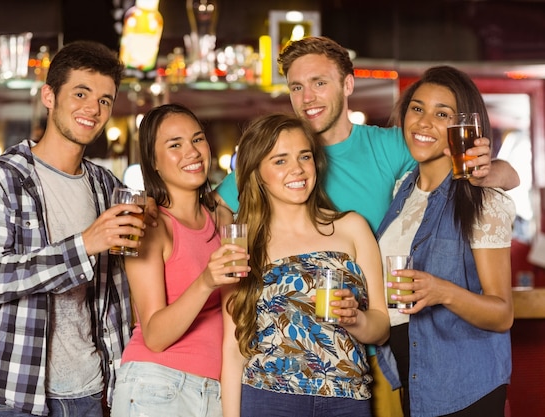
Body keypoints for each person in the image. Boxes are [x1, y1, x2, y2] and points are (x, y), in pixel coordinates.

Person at [214, 36, 519, 417]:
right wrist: (234, 247)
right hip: (316, 369)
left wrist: (497, 171)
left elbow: (454, 164)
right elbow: (217, 209)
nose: (308, 97)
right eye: (297, 86)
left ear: (347, 85)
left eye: (319, 83)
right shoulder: (278, 155)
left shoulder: (395, 145)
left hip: (377, 357)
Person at [0, 40, 140, 417]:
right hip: (18, 395)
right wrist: (84, 244)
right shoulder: (4, 177)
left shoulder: (106, 186)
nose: (93, 109)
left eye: (105, 100)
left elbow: (120, 293)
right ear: (49, 95)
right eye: (81, 93)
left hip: (93, 392)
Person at [221, 113, 390, 417]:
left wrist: (356, 320)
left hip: (346, 399)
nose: (297, 169)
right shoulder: (243, 243)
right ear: (258, 173)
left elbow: (381, 328)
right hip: (268, 398)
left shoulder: (352, 227)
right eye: (280, 161)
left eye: (304, 156)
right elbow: (233, 351)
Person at [376, 65, 514, 417]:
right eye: (418, 108)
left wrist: (442, 292)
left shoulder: (484, 200)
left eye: (442, 114)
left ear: (462, 127)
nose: (424, 123)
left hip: (466, 385)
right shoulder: (402, 189)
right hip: (414, 376)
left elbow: (502, 314)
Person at [111, 103, 250, 417]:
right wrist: (205, 282)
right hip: (158, 386)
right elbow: (155, 336)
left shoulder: (222, 217)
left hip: (216, 390)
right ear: (154, 162)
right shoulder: (148, 226)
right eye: (175, 145)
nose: (192, 152)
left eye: (197, 140)